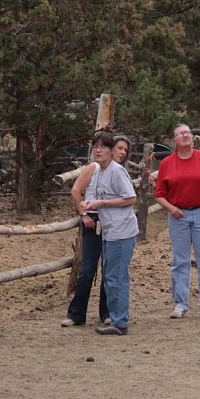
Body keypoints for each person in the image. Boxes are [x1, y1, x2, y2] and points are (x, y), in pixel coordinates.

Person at [154, 123, 200, 319]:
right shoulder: (167, 164)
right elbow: (159, 194)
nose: (185, 135)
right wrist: (171, 208)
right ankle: (180, 303)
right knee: (180, 261)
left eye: (188, 132)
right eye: (180, 133)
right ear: (174, 140)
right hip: (179, 217)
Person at [61, 135, 132, 327]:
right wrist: (84, 214)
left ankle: (107, 312)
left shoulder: (117, 172)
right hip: (94, 219)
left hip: (112, 222)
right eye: (119, 148)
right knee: (88, 269)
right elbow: (76, 191)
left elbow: (126, 198)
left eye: (125, 150)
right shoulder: (94, 167)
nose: (122, 152)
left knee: (109, 268)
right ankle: (76, 313)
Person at [80, 131, 138, 336]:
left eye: (103, 147)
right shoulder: (100, 172)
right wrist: (89, 204)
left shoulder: (116, 171)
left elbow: (130, 198)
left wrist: (102, 203)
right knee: (110, 276)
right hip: (109, 231)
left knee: (116, 276)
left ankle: (120, 322)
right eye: (95, 147)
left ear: (111, 151)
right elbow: (99, 197)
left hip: (122, 232)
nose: (98, 150)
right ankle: (116, 318)